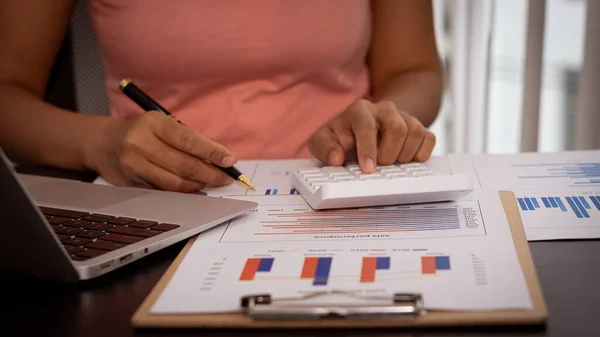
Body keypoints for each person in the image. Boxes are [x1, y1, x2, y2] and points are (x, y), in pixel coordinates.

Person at [0, 0, 443, 193]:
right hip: (154, 199)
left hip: (347, 187)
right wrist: (99, 143)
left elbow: (414, 70)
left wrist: (385, 121)